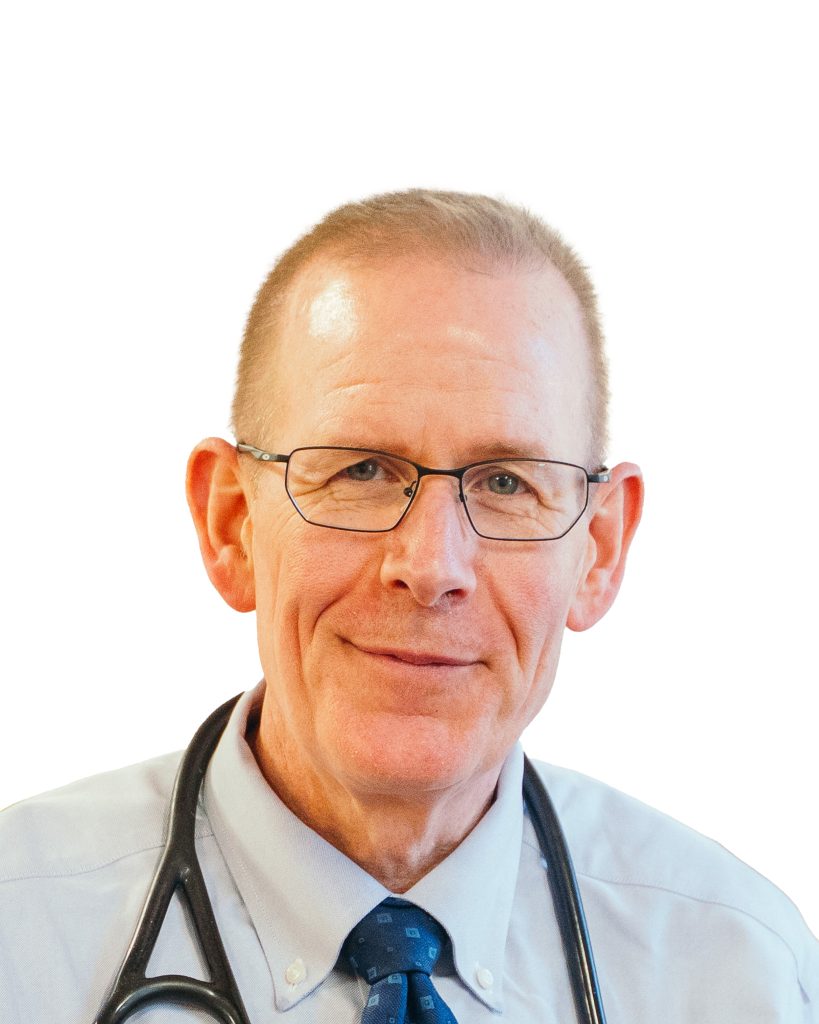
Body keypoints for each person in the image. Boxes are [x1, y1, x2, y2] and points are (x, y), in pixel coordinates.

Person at [0, 190, 816, 1022]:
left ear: (598, 548)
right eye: (360, 471)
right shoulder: (21, 937)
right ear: (230, 524)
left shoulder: (739, 973)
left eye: (505, 483)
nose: (430, 567)